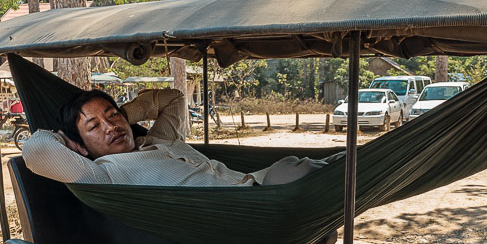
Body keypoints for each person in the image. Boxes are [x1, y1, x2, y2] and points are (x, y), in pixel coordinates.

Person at [22, 88, 340, 187]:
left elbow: (173, 98)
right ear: (82, 145)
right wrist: (66, 141)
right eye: (94, 126)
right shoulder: (103, 173)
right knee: (309, 170)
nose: (110, 127)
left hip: (259, 182)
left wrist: (124, 115)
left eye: (111, 115)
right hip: (251, 206)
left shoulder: (158, 139)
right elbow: (35, 149)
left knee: (335, 163)